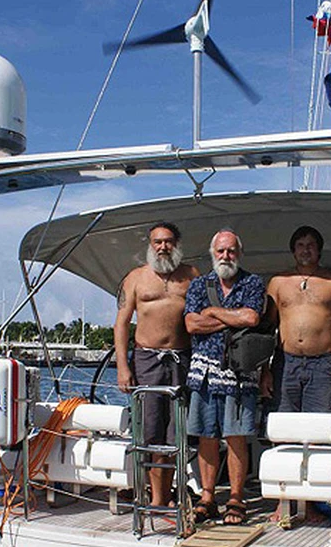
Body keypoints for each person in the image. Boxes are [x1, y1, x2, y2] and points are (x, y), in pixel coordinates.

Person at [266, 226, 331, 524]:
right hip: (285, 364)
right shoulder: (278, 282)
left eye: (311, 245)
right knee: (283, 432)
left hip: (323, 365)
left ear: (319, 250)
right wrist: (264, 370)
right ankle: (284, 503)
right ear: (293, 250)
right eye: (301, 245)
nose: (306, 249)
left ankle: (311, 504)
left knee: (319, 434)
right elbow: (267, 328)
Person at [113, 222, 199, 507]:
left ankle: (169, 493)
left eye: (168, 241)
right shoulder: (135, 278)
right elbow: (121, 324)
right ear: (150, 245)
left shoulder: (191, 275)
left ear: (177, 243)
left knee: (176, 431)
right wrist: (123, 367)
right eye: (157, 242)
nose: (163, 247)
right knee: (150, 429)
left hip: (182, 359)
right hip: (146, 360)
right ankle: (156, 497)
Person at [184, 229, 266, 525]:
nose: (226, 256)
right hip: (203, 373)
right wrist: (232, 318)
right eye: (220, 251)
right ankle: (207, 497)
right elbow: (191, 324)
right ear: (212, 253)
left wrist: (213, 312)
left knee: (236, 437)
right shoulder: (198, 284)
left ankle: (236, 497)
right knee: (206, 436)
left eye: (231, 250)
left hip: (239, 374)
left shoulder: (253, 283)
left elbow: (252, 318)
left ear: (239, 253)